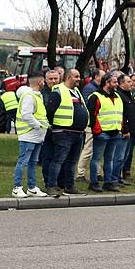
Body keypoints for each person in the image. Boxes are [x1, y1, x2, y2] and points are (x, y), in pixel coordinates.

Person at [44, 68, 89, 197]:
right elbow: (50, 112)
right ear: (69, 77)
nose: (79, 79)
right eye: (76, 76)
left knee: (72, 162)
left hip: (77, 132)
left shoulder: (76, 92)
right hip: (64, 132)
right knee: (58, 160)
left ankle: (70, 186)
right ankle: (51, 186)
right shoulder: (59, 91)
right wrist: (56, 127)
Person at [12, 72, 49, 198]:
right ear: (40, 82)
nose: (44, 83)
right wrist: (37, 125)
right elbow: (26, 115)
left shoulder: (37, 96)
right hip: (28, 134)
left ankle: (32, 187)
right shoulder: (29, 96)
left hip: (36, 135)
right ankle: (17, 187)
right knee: (23, 161)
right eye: (43, 81)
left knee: (33, 162)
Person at [87, 72, 125, 192]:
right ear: (107, 82)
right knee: (97, 158)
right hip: (102, 133)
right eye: (114, 82)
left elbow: (120, 114)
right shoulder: (96, 96)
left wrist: (121, 128)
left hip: (115, 132)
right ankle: (94, 182)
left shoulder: (117, 97)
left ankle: (108, 182)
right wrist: (97, 131)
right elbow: (92, 115)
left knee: (109, 159)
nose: (116, 84)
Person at [77, 67, 101, 182]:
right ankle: (80, 172)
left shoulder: (94, 88)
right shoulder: (90, 89)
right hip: (90, 123)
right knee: (88, 148)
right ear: (96, 77)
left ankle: (97, 171)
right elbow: (88, 106)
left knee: (96, 149)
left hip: (95, 122)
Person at [115, 73, 135, 184]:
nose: (132, 84)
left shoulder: (128, 95)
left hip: (132, 131)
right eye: (129, 82)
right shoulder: (120, 96)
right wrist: (125, 129)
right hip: (125, 132)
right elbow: (122, 115)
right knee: (119, 156)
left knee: (125, 156)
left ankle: (118, 177)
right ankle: (114, 177)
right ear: (121, 84)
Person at [39, 67, 61, 189]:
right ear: (46, 80)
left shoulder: (62, 91)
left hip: (61, 129)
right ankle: (48, 181)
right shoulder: (43, 94)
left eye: (55, 78)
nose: (53, 81)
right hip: (48, 130)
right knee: (47, 157)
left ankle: (58, 180)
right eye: (51, 79)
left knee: (58, 157)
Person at [122, 74, 135, 179]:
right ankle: (123, 171)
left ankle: (127, 170)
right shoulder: (126, 94)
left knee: (130, 152)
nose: (134, 83)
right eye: (132, 81)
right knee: (125, 152)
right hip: (127, 127)